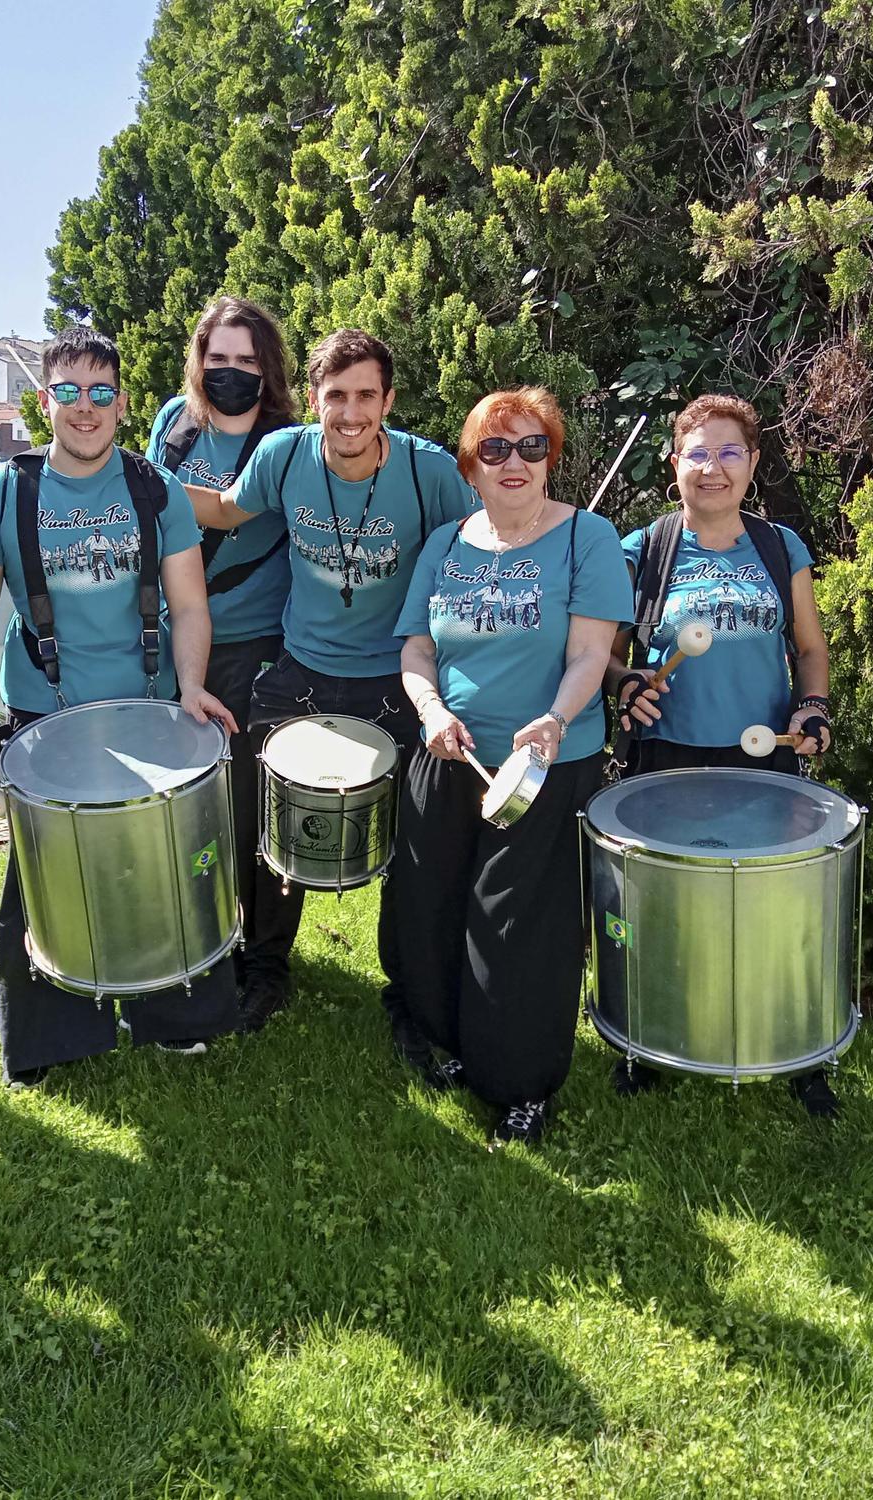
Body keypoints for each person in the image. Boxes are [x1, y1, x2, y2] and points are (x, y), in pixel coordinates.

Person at [0, 327, 238, 1087]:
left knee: (160, 864)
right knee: (44, 877)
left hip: (145, 707)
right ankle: (48, 1038)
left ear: (122, 403)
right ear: (44, 402)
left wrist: (193, 686)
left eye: (101, 393)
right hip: (45, 715)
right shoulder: (5, 492)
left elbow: (189, 605)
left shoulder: (153, 488)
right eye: (68, 392)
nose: (85, 409)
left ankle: (172, 1015)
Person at [185, 329, 479, 1052]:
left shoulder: (428, 472)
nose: (350, 413)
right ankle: (265, 969)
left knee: (412, 846)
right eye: (335, 397)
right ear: (314, 400)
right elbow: (223, 510)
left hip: (398, 677)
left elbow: (476, 549)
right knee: (265, 827)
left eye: (365, 397)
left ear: (388, 400)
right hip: (300, 668)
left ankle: (407, 990)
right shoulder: (284, 454)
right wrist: (126, 483)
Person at [393, 387, 627, 1143]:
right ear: (470, 466)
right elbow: (417, 647)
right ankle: (444, 1040)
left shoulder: (586, 539)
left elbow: (592, 652)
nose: (514, 462)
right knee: (430, 903)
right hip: (449, 751)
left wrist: (555, 721)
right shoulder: (446, 543)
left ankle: (520, 1083)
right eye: (495, 449)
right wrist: (430, 710)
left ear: (551, 458)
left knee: (519, 923)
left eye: (532, 447)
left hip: (544, 764)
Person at [611, 391, 839, 1117]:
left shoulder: (779, 547)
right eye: (698, 453)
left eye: (729, 452)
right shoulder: (643, 549)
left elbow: (809, 648)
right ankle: (645, 1037)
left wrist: (812, 707)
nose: (713, 468)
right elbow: (609, 660)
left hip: (764, 764)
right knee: (660, 910)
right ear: (673, 463)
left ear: (753, 465)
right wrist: (628, 686)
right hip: (667, 755)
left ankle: (797, 1046)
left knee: (777, 909)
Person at [145, 295, 299, 1017]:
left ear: (268, 370)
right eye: (219, 359)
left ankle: (264, 959)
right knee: (184, 804)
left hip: (253, 647)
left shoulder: (290, 445)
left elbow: (233, 511)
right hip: (168, 642)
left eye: (247, 360)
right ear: (198, 362)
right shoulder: (170, 429)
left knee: (254, 808)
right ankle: (195, 936)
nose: (231, 372)